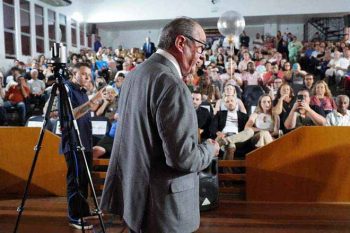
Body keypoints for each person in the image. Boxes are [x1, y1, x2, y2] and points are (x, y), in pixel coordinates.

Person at [100, 17, 219, 233]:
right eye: (201, 47)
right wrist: (210, 149)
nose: (202, 56)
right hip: (163, 208)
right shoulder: (171, 83)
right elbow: (182, 158)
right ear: (181, 43)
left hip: (136, 198)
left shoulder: (135, 74)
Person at [60, 63, 105, 230]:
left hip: (85, 142)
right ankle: (74, 216)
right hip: (73, 143)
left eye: (89, 74)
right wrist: (93, 100)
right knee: (76, 181)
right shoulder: (66, 90)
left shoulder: (82, 91)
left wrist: (99, 100)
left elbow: (87, 111)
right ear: (73, 74)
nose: (88, 77)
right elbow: (71, 114)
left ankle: (83, 210)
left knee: (84, 180)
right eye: (84, 74)